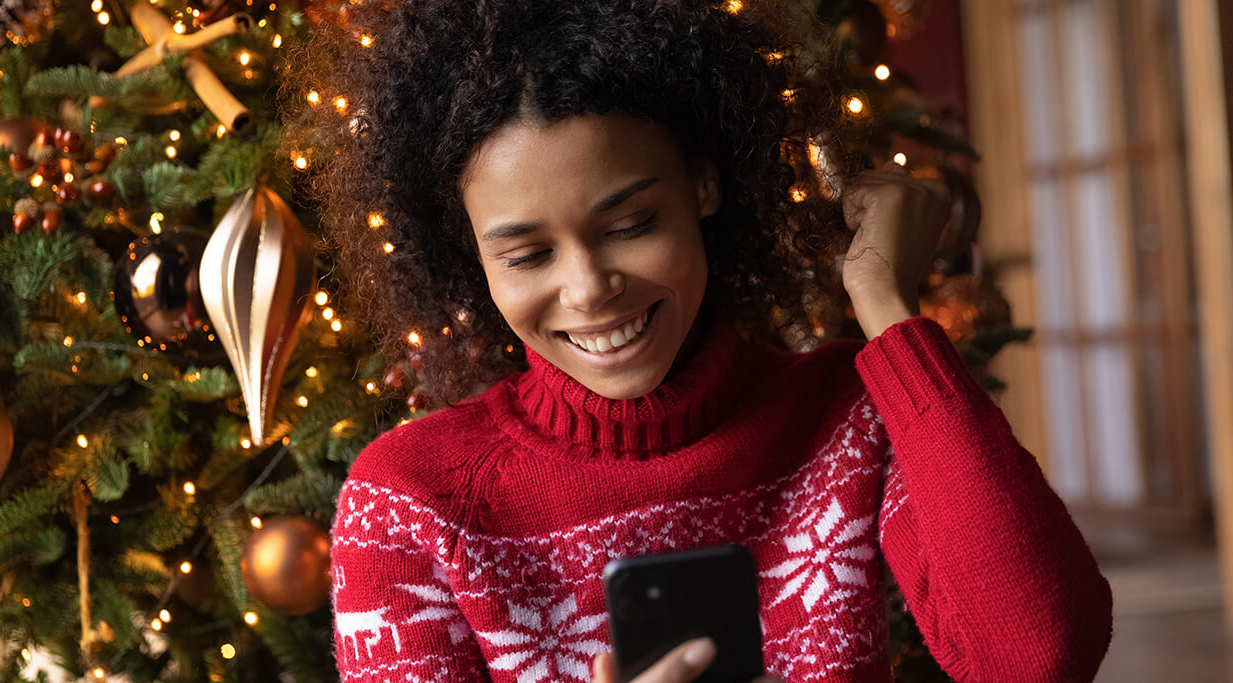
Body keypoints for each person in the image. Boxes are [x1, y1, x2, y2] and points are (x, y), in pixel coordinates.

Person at [300, 1, 1114, 681]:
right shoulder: (409, 505)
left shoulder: (850, 420)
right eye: (527, 255)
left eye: (631, 224)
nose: (587, 288)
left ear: (704, 183)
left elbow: (1039, 655)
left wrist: (887, 305)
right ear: (470, 255)